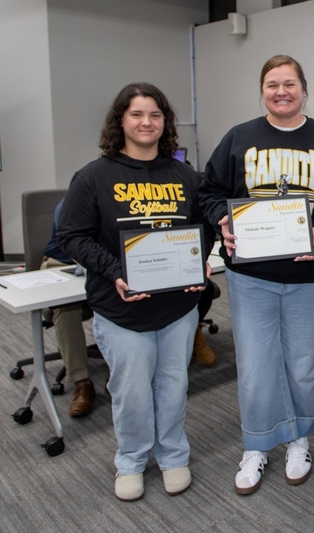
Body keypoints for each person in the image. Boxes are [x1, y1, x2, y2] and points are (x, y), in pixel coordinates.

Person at [198, 54, 314, 495]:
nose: (281, 91)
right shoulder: (238, 137)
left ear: (304, 89)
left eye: (289, 83)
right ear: (262, 91)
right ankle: (256, 445)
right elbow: (210, 191)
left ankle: (298, 439)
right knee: (255, 366)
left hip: (309, 276)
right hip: (252, 276)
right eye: (272, 85)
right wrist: (221, 221)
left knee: (305, 365)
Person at [58, 83, 215, 502]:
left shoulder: (183, 175)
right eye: (137, 115)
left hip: (177, 307)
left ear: (165, 123)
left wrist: (201, 255)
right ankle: (130, 460)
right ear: (121, 121)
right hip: (121, 306)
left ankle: (172, 455)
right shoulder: (94, 176)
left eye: (155, 115)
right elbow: (72, 235)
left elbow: (205, 224)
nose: (147, 123)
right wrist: (115, 272)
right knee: (130, 391)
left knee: (172, 385)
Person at [41, 198, 96, 416]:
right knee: (65, 308)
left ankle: (119, 373)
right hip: (63, 263)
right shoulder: (69, 205)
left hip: (99, 268)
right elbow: (66, 244)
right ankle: (82, 383)